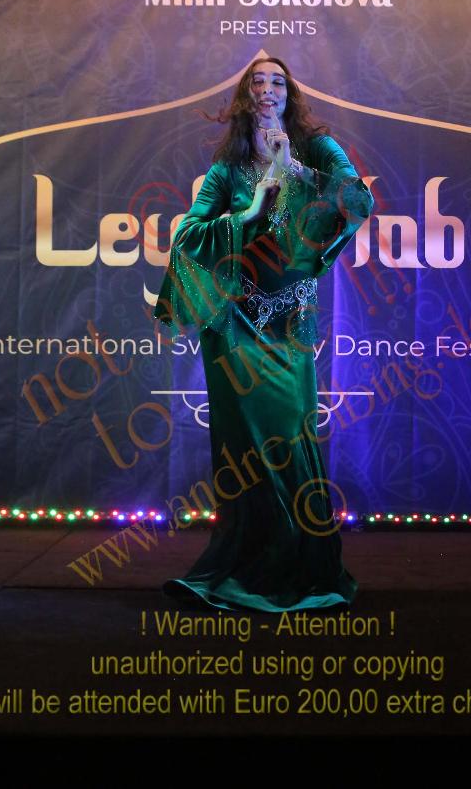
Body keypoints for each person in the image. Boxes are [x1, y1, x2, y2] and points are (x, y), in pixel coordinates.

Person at [153, 56, 375, 612]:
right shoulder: (228, 168)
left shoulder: (319, 149)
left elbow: (359, 200)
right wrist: (248, 214)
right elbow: (188, 235)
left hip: (289, 326)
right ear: (246, 96)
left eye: (278, 81)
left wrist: (292, 168)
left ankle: (299, 566)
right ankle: (246, 563)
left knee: (287, 437)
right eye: (258, 81)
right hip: (236, 327)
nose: (268, 88)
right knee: (244, 447)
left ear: (289, 93)